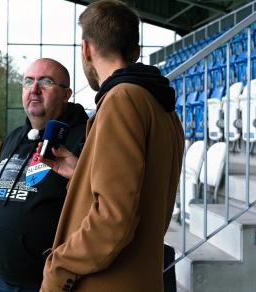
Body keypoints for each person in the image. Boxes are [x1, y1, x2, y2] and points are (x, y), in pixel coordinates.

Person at [39, 1, 184, 291]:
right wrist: (81, 172)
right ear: (136, 50)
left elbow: (113, 219)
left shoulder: (121, 100)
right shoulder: (161, 106)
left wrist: (58, 268)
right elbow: (138, 194)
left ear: (86, 49)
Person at [0, 58, 89, 292]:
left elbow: (101, 202)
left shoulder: (85, 138)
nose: (34, 89)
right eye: (28, 81)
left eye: (45, 82)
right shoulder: (14, 137)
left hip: (49, 284)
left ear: (66, 94)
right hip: (0, 280)